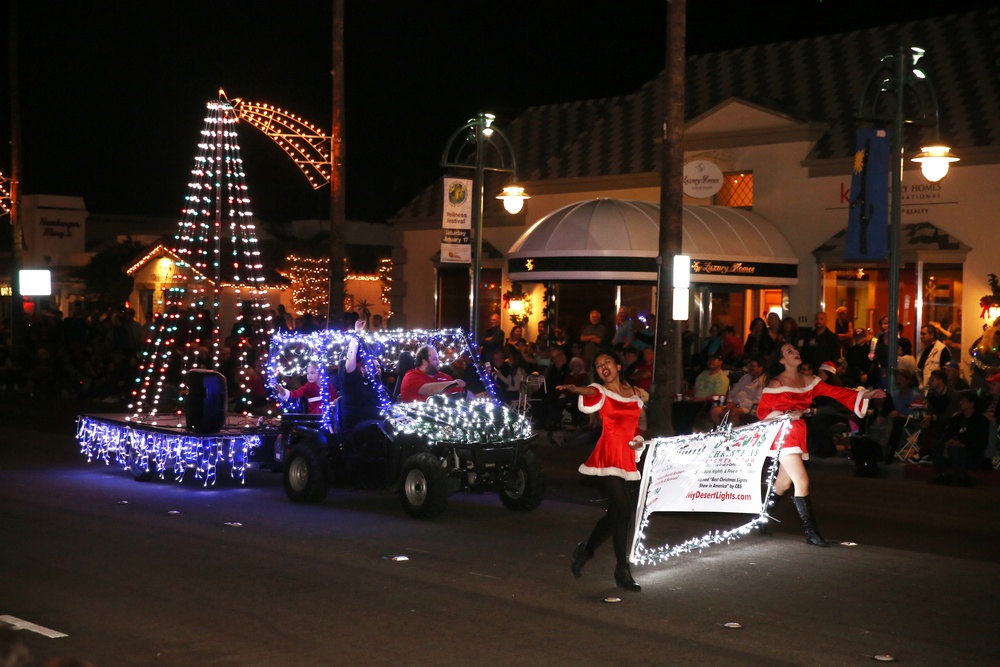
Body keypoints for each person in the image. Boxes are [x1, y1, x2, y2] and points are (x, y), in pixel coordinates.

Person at [756, 343, 883, 546]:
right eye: (789, 352)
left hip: (798, 433)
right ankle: (811, 533)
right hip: (782, 434)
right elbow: (763, 413)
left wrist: (864, 395)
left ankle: (762, 518)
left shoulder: (809, 380)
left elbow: (836, 392)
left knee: (783, 483)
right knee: (802, 481)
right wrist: (786, 415)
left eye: (795, 350)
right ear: (782, 360)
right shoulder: (776, 383)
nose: (795, 352)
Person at [558, 350, 649, 592]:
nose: (603, 367)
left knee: (615, 515)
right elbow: (590, 391)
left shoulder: (636, 395)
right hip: (607, 455)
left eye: (607, 362)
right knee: (624, 510)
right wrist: (577, 389)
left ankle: (586, 550)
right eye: (598, 365)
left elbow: (640, 425)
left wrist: (639, 438)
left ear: (618, 366)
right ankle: (623, 569)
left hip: (627, 456)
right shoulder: (600, 391)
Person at [929, 390, 989, 487]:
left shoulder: (980, 421)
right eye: (961, 400)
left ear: (972, 404)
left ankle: (963, 477)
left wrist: (963, 444)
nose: (961, 403)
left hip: (971, 453)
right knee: (936, 444)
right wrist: (949, 441)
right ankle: (942, 474)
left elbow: (981, 442)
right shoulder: (957, 418)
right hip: (953, 448)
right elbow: (948, 434)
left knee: (954, 449)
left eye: (964, 401)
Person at [339, 319, 384, 434]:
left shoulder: (380, 387)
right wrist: (356, 334)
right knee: (377, 428)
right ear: (362, 369)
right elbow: (350, 359)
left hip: (379, 423)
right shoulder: (353, 382)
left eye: (378, 367)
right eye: (373, 366)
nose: (376, 369)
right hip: (358, 427)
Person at [709, 356, 765, 427]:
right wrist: (730, 402)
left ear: (761, 368)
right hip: (734, 404)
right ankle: (721, 432)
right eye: (749, 366)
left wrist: (738, 405)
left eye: (753, 366)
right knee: (714, 410)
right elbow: (733, 391)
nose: (750, 368)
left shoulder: (763, 381)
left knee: (735, 412)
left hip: (749, 408)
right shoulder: (745, 377)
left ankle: (733, 435)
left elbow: (756, 401)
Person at [399, 345, 466, 402]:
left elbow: (462, 395)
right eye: (434, 359)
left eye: (437, 359)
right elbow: (427, 390)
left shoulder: (445, 377)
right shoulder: (411, 376)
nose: (438, 362)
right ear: (424, 362)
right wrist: (452, 384)